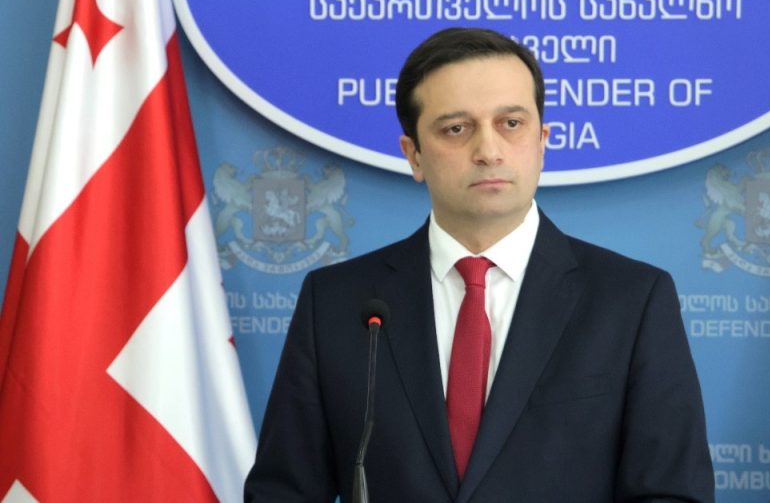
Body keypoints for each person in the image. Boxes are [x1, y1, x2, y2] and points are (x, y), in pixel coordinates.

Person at [244, 28, 715, 502]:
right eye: (456, 128)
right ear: (413, 155)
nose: (489, 151)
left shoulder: (631, 300)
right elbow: (283, 494)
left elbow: (671, 494)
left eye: (511, 123)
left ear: (542, 142)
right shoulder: (336, 302)